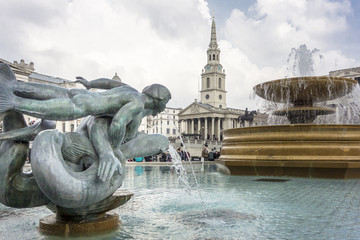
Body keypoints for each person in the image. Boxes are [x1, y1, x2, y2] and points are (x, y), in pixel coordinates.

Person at [0, 63, 171, 181]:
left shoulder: (131, 91)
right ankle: (9, 102)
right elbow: (119, 122)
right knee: (21, 104)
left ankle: (11, 84)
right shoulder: (138, 104)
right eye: (165, 103)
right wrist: (112, 148)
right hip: (82, 107)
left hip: (81, 96)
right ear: (159, 100)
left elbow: (109, 83)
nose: (164, 108)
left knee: (39, 91)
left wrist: (89, 83)